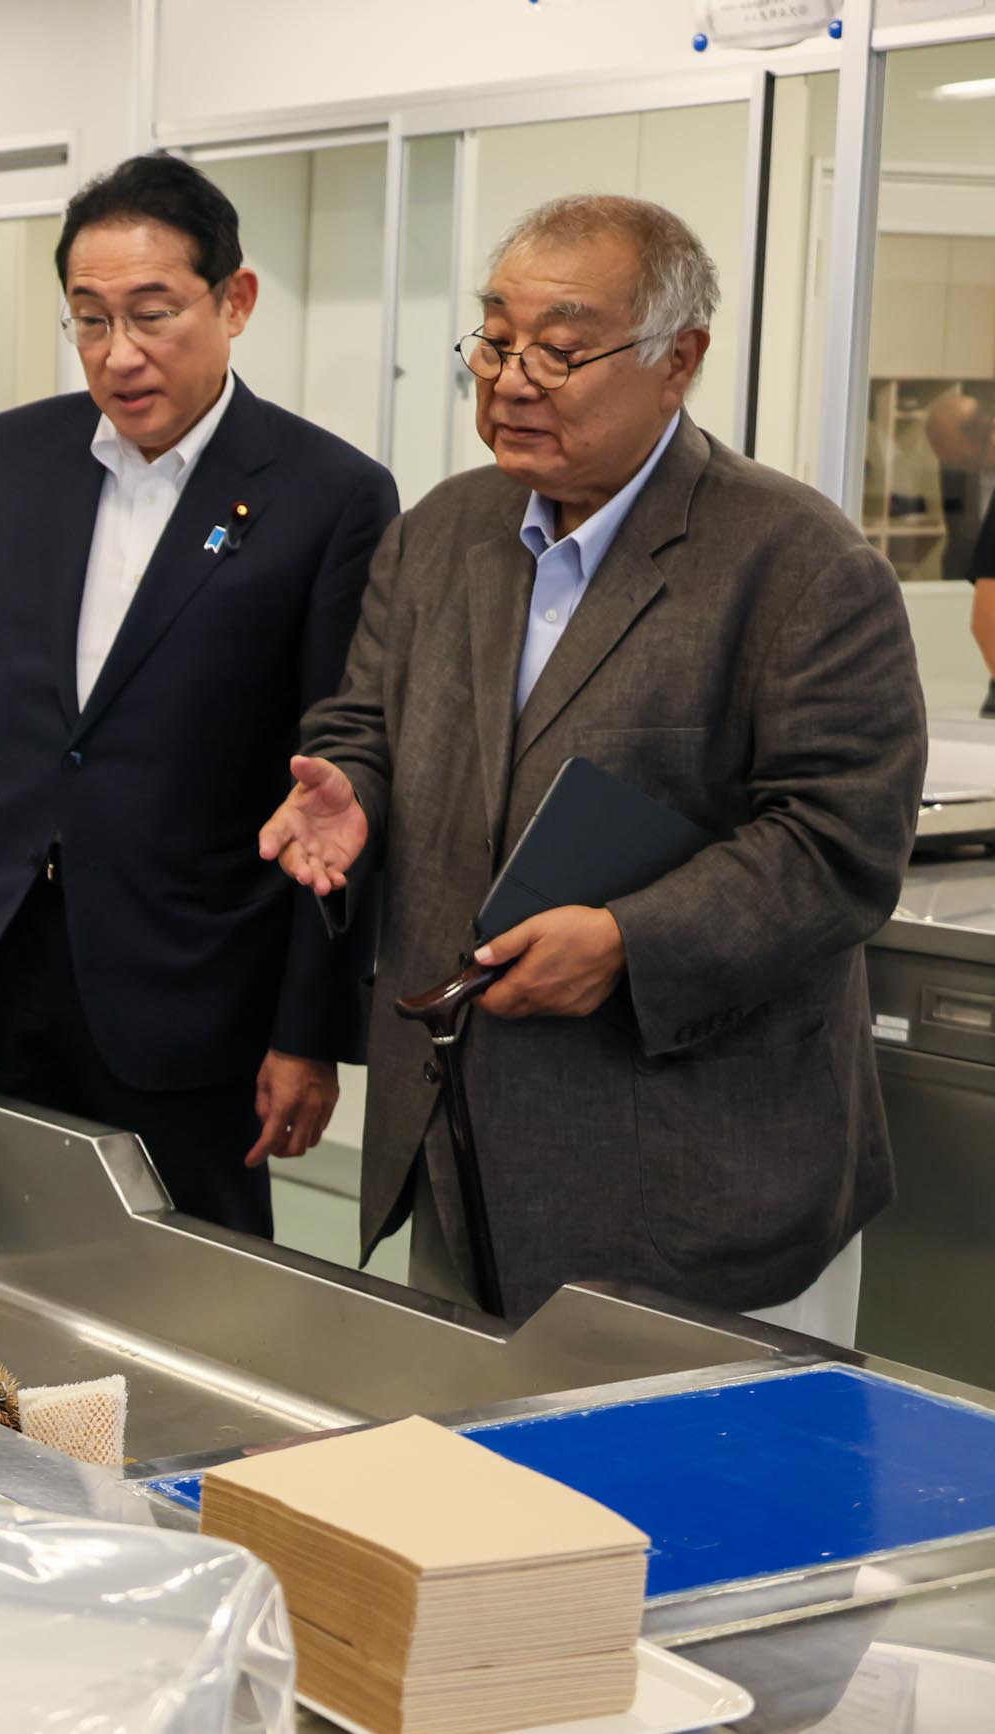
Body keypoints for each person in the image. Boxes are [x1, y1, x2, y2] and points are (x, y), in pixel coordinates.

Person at [260, 195, 926, 1333]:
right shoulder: (439, 532)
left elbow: (836, 845)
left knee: (700, 1505)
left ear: (679, 362)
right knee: (468, 1497)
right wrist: (350, 791)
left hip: (694, 1186)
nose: (511, 378)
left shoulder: (798, 563)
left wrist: (627, 944)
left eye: (560, 351)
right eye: (496, 341)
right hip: (461, 1155)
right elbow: (362, 721)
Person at [0, 154, 398, 1236]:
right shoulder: (19, 454)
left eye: (152, 315)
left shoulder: (326, 495)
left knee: (183, 1293)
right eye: (89, 319)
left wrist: (307, 1030)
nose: (119, 355)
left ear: (233, 301)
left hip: (188, 985)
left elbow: (338, 779)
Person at [922, 384, 995, 713]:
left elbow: (985, 619)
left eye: (941, 444)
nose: (938, 455)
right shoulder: (954, 472)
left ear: (975, 436)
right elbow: (959, 539)